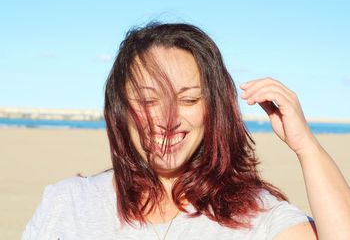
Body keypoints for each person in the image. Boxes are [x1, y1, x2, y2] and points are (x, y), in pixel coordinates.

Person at [22, 23, 350, 240]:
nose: (168, 119)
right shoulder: (68, 204)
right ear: (120, 109)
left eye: (188, 98)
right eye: (149, 100)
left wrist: (305, 146)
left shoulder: (256, 215)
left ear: (214, 108)